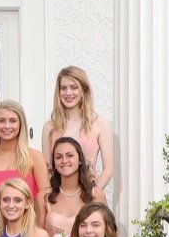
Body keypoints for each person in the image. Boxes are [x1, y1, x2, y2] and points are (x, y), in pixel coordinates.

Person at [41, 66, 115, 194]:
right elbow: (47, 171)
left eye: (74, 87)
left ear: (83, 90)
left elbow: (108, 170)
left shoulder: (100, 123)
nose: (68, 93)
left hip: (88, 200)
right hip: (60, 200)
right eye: (63, 88)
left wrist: (91, 194)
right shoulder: (49, 128)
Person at [0, 101, 50, 219]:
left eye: (12, 121)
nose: (7, 126)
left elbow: (45, 201)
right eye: (1, 121)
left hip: (29, 230)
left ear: (21, 124)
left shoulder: (35, 158)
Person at [42, 136, 106, 237]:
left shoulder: (96, 195)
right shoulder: (43, 197)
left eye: (70, 155)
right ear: (54, 163)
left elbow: (108, 234)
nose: (64, 161)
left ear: (80, 160)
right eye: (58, 157)